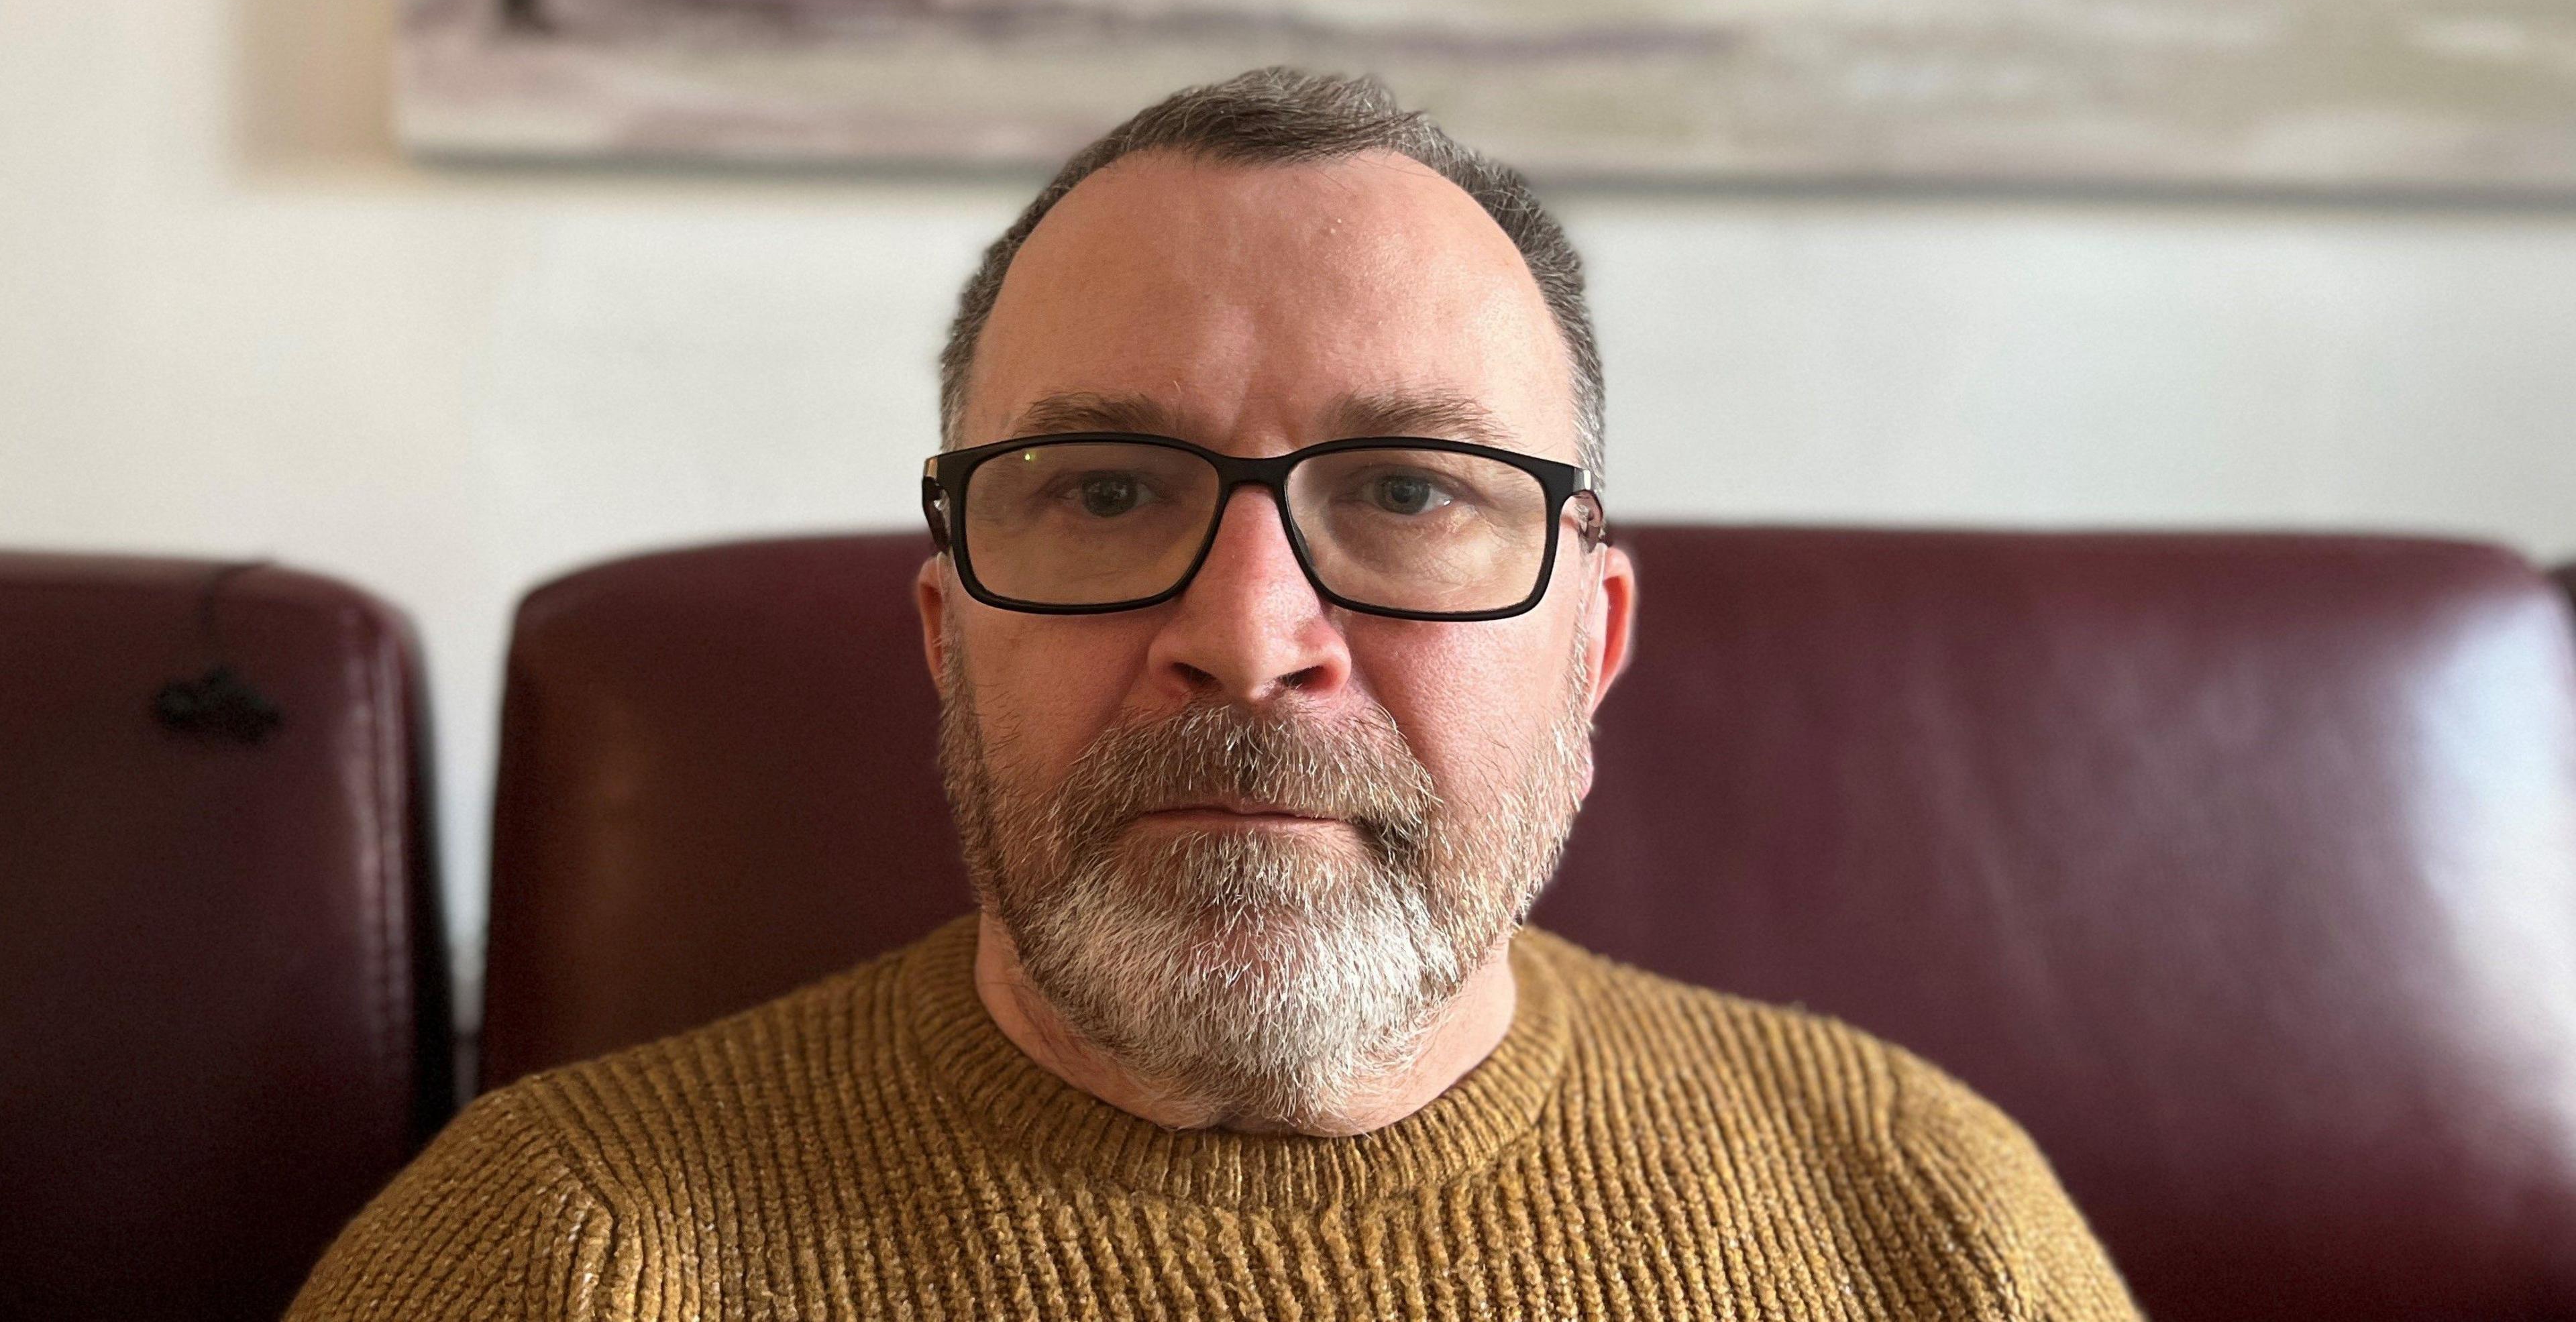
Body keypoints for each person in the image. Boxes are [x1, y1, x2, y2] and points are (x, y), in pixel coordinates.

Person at [290, 67, 2141, 1319]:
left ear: (1593, 644)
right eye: (1106, 492)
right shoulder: (556, 1258)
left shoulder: (1927, 1223)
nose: (1249, 634)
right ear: (948, 638)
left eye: (1411, 491)